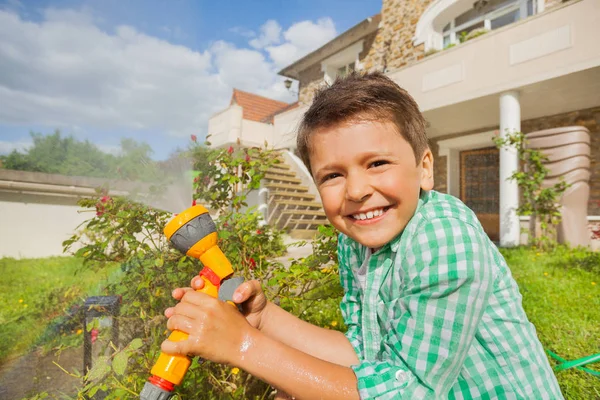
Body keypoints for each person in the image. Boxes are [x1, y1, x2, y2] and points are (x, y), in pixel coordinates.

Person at [161, 72, 563, 399]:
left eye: (377, 163)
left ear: (425, 169)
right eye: (333, 175)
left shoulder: (443, 237)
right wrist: (263, 321)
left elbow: (408, 394)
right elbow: (367, 355)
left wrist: (243, 348)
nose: (355, 191)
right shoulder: (356, 240)